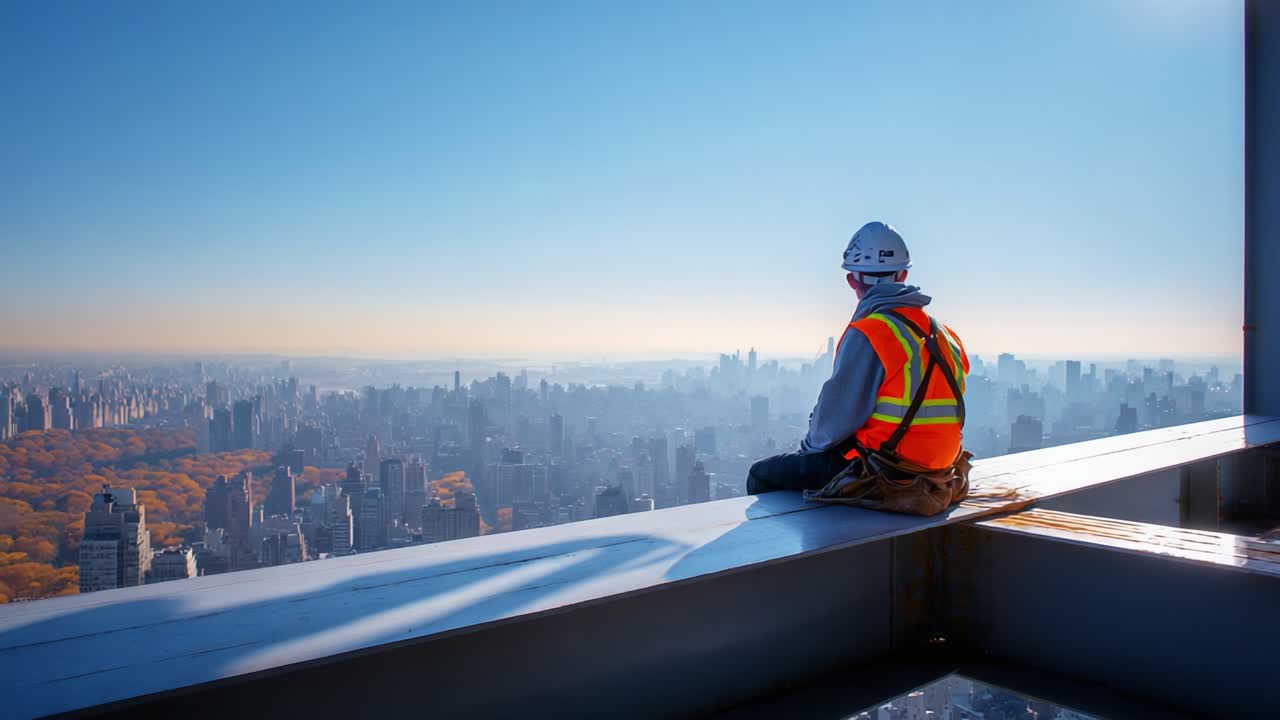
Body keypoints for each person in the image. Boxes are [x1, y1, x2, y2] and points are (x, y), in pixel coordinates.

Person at [746, 221, 970, 497]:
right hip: (941, 471)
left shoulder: (871, 332)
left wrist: (806, 456)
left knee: (761, 475)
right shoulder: (946, 335)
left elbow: (832, 424)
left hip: (887, 470)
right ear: (902, 276)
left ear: (852, 280)